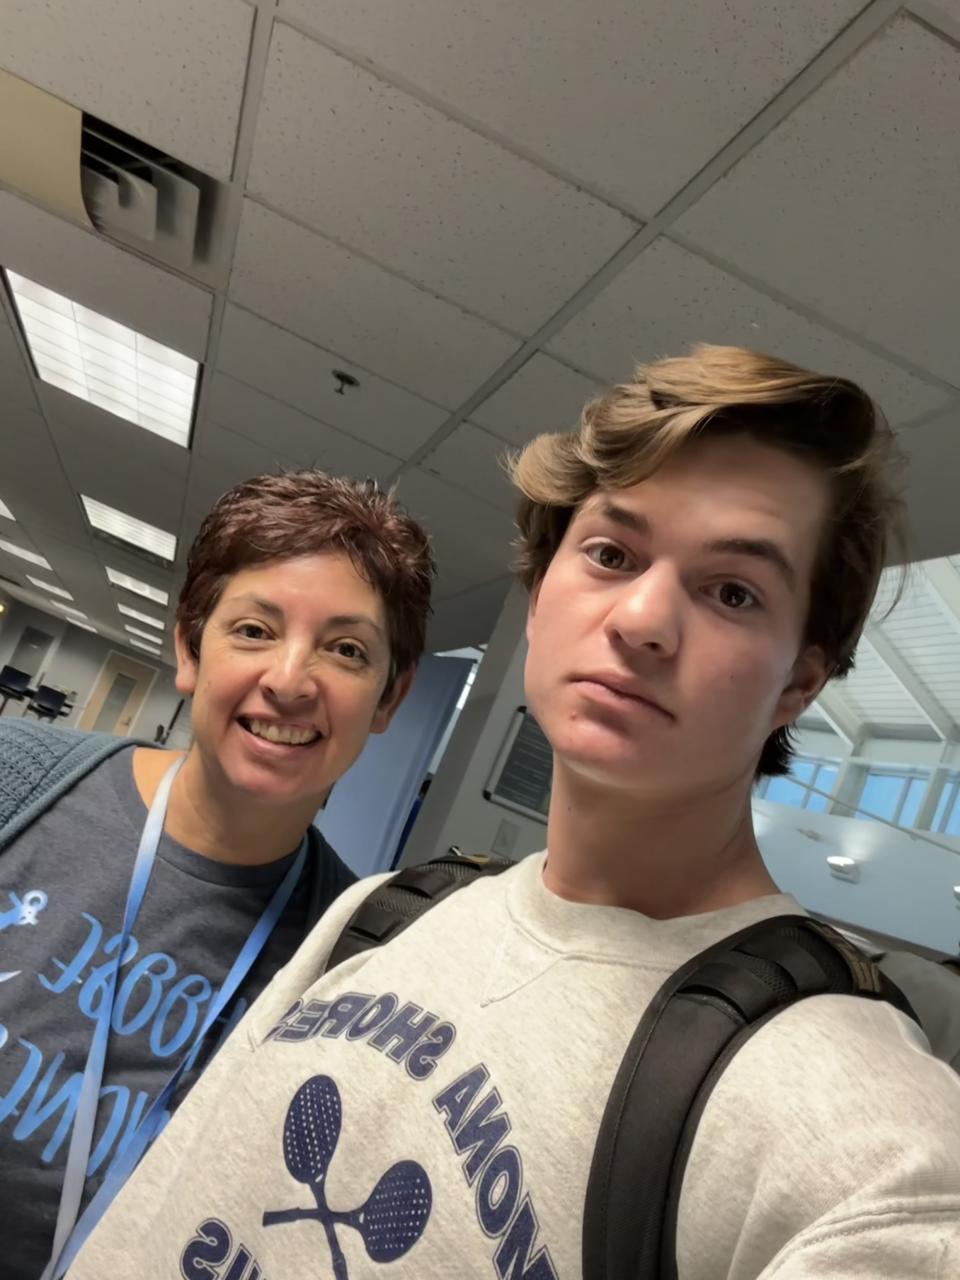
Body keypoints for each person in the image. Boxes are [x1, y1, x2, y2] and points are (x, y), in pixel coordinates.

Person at [68, 347, 960, 1279]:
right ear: (538, 599)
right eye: (611, 554)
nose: (642, 619)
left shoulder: (861, 1135)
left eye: (733, 592)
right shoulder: (387, 912)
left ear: (800, 683)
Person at [0, 470, 434, 1279]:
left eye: (346, 650)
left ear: (388, 699)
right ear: (190, 648)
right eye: (254, 630)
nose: (290, 681)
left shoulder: (351, 962)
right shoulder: (16, 781)